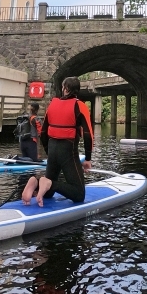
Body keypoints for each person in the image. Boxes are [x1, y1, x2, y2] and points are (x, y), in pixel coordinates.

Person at [22, 76, 93, 207]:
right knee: (78, 195)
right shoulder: (80, 106)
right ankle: (49, 183)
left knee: (48, 193)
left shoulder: (52, 105)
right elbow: (88, 135)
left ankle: (37, 182)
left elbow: (43, 133)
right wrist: (88, 159)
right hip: (68, 152)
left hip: (53, 149)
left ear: (65, 89)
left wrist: (50, 152)